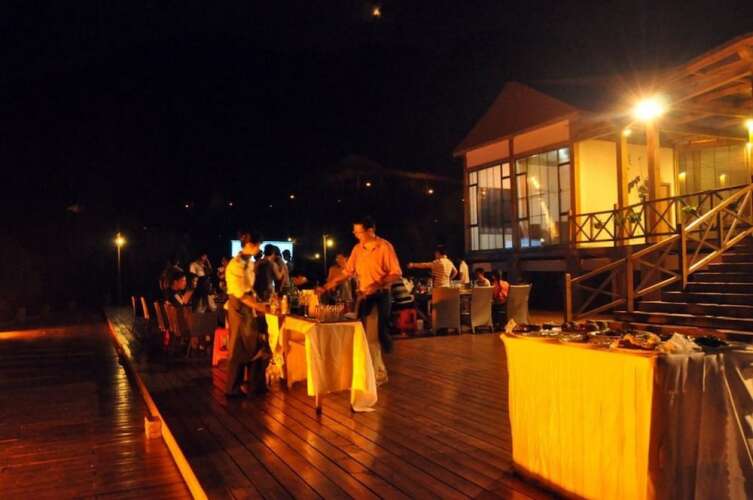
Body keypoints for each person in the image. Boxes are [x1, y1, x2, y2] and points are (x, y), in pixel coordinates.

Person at [318, 216, 402, 353]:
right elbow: (347, 273)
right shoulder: (357, 249)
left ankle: (388, 358)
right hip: (364, 296)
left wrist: (377, 284)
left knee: (381, 331)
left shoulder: (384, 247)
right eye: (354, 232)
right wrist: (326, 287)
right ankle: (367, 360)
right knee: (362, 330)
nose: (356, 235)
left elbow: (396, 273)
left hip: (381, 295)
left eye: (359, 232)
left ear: (370, 231)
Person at [224, 230, 270, 398]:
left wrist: (258, 302)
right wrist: (260, 307)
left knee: (256, 342)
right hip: (239, 306)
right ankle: (233, 389)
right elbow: (240, 294)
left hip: (248, 305)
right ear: (250, 245)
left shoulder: (249, 262)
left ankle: (256, 385)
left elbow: (249, 289)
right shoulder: (235, 265)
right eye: (257, 245)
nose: (259, 248)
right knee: (239, 345)